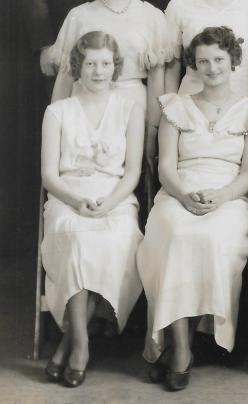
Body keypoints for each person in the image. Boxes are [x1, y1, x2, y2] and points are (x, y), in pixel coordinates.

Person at [137, 27, 248, 391]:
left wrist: (224, 195)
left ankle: (192, 340)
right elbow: (165, 167)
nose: (211, 68)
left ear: (234, 62)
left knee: (212, 237)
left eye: (219, 60)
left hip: (230, 195)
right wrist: (183, 195)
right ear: (193, 66)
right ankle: (180, 348)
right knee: (176, 234)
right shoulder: (173, 106)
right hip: (179, 190)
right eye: (203, 61)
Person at [40, 31, 145, 388]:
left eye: (105, 64)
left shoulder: (129, 109)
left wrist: (110, 204)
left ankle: (68, 344)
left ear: (114, 67)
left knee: (118, 236)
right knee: (77, 240)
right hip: (68, 196)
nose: (98, 72)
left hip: (114, 197)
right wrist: (75, 201)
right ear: (77, 67)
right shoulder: (58, 112)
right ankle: (81, 344)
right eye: (90, 64)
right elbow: (49, 175)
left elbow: (132, 172)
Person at [49, 0, 170, 167]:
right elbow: (65, 76)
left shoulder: (152, 17)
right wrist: (58, 126)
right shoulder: (79, 16)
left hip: (133, 108)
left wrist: (153, 130)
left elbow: (157, 81)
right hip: (84, 104)